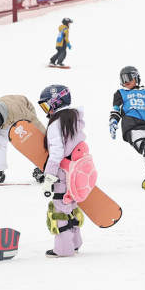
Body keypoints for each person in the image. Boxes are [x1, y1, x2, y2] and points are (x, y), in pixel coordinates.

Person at [36, 84, 93, 257]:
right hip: (77, 171)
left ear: (55, 103)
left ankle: (63, 249)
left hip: (63, 173)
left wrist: (49, 177)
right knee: (72, 205)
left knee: (59, 208)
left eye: (46, 105)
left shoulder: (56, 124)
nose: (45, 111)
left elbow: (56, 153)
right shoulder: (74, 119)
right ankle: (75, 243)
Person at [0, 94, 47, 184]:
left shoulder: (19, 112)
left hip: (21, 112)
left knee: (29, 140)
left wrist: (47, 141)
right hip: (4, 116)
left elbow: (36, 125)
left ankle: (42, 166)